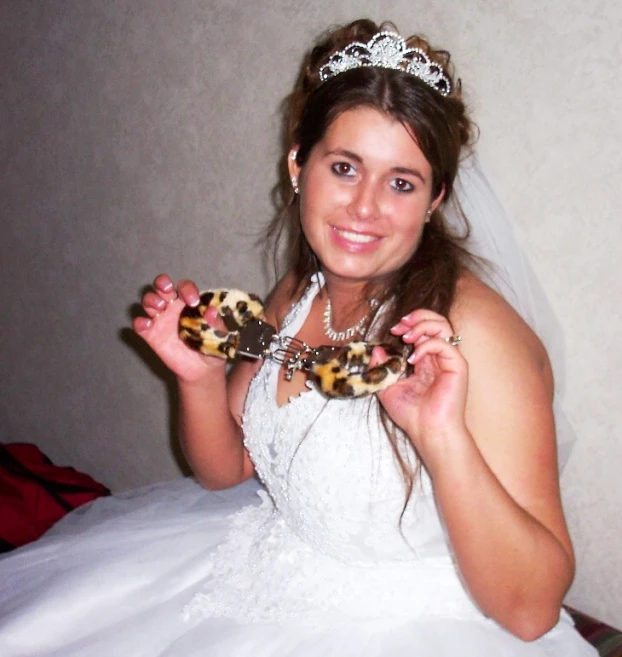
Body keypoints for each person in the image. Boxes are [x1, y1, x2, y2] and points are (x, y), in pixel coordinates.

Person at [0, 19, 595, 657]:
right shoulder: (295, 294)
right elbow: (229, 473)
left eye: (401, 182)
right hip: (263, 576)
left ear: (435, 197)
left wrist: (440, 436)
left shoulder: (477, 337)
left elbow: (532, 611)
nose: (366, 208)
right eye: (344, 167)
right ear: (298, 165)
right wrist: (196, 378)